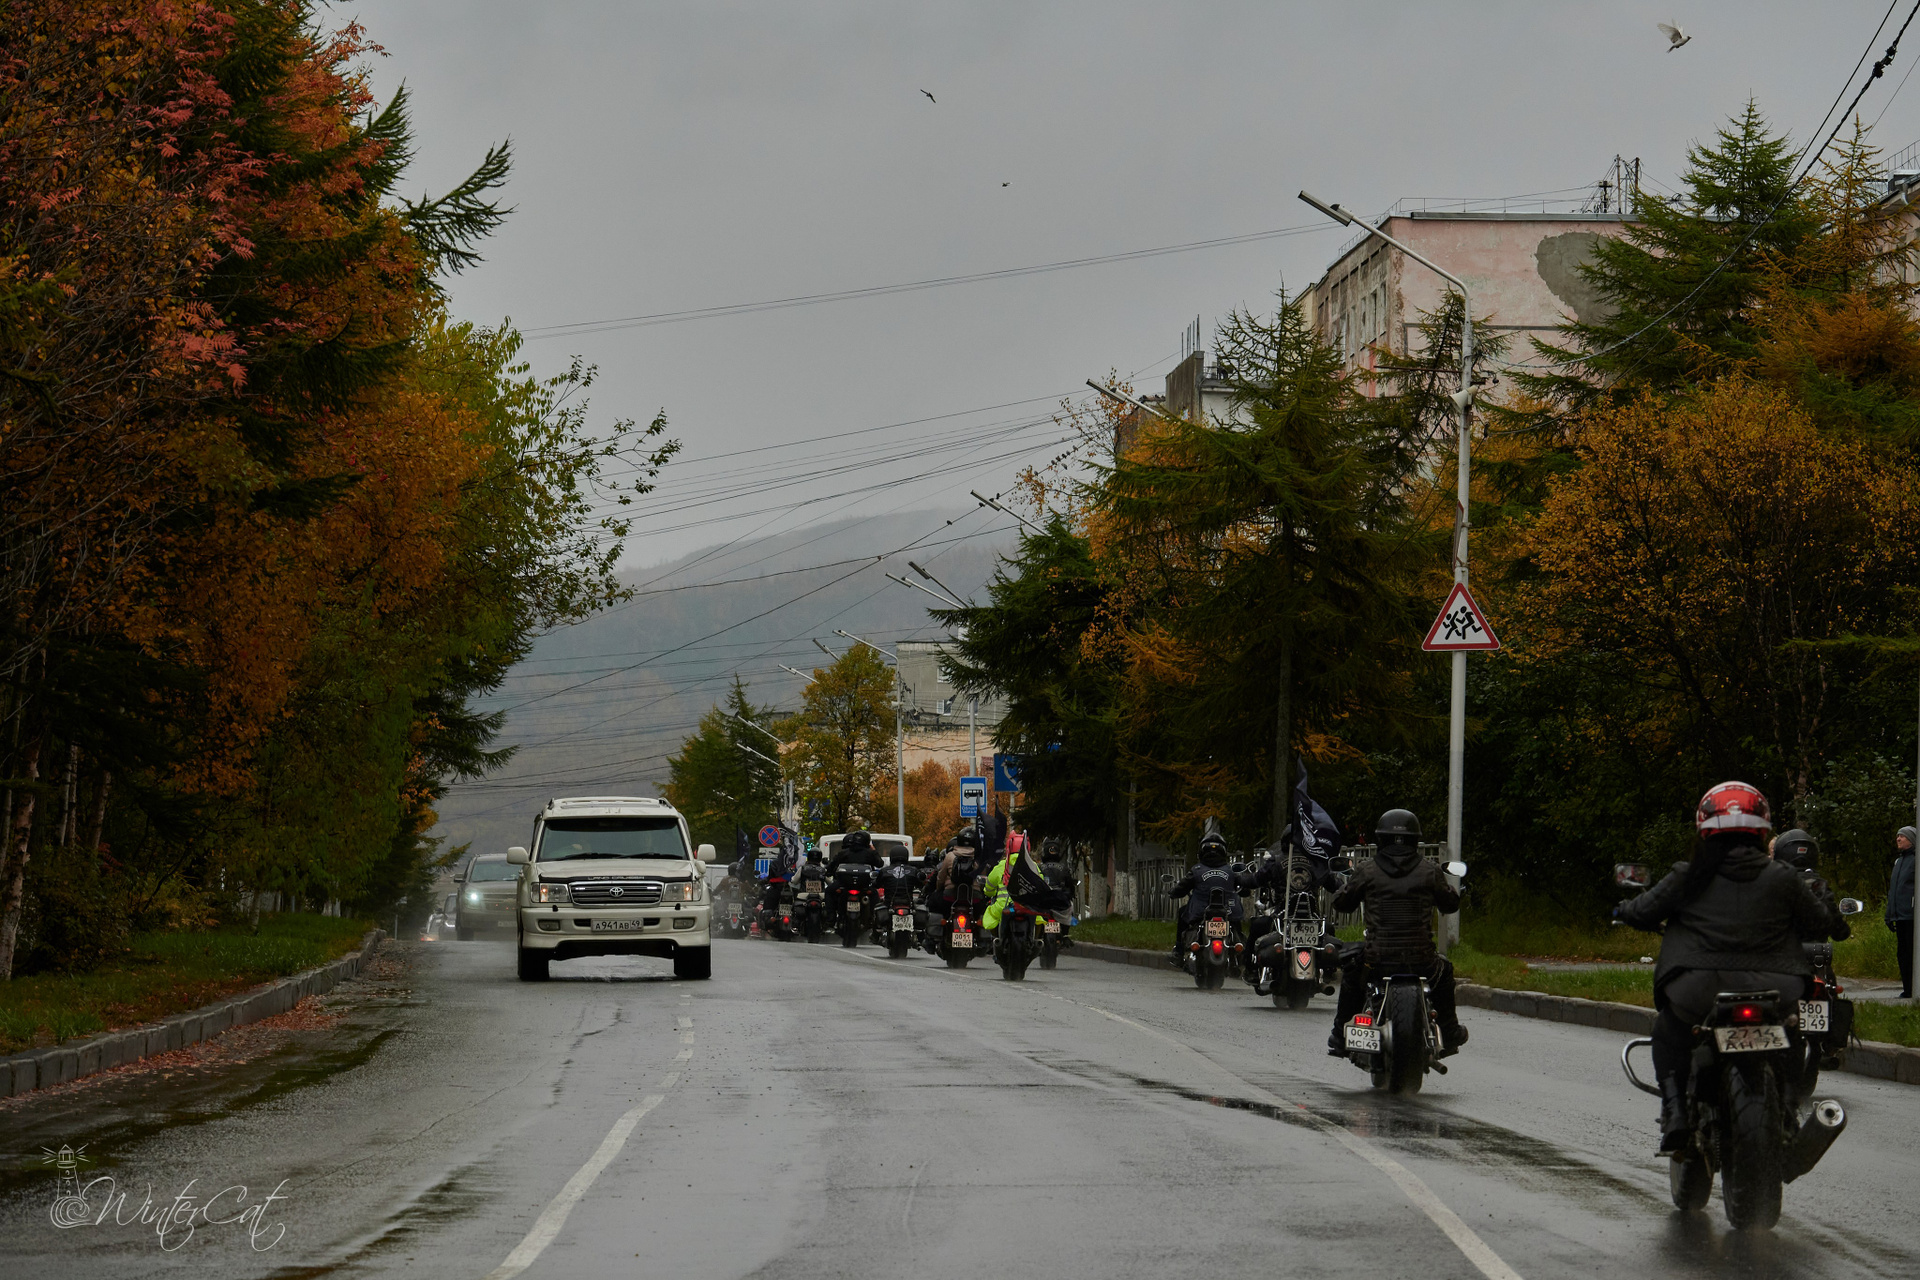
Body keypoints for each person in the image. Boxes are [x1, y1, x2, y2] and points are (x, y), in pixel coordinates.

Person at [1615, 782, 1835, 1153]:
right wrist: (1832, 922)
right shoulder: (1783, 876)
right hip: (1777, 985)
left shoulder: (1688, 874)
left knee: (1669, 1031)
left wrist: (1623, 909)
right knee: (1790, 1032)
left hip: (1699, 987)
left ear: (1704, 829)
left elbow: (1643, 911)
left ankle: (1675, 1113)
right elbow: (1823, 922)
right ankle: (1786, 1111)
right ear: (1762, 831)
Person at [1328, 808, 1465, 1055]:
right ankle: (1449, 1032)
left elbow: (1342, 904)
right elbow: (1450, 905)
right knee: (1444, 972)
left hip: (1376, 961)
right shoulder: (1430, 870)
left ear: (1381, 839)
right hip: (1422, 961)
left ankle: (1340, 1035)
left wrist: (1343, 889)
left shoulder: (1367, 870)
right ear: (1415, 840)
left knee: (1352, 974)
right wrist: (1454, 892)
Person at [1167, 831, 1247, 966]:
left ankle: (1178, 952)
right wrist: (1246, 890)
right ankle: (1242, 955)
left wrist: (1173, 892)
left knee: (1182, 913)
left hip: (1200, 910)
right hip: (1228, 910)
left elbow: (1182, 887)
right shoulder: (1230, 871)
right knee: (1236, 922)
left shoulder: (1197, 870)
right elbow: (1244, 888)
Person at [1773, 828, 1849, 942]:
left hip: (1779, 950)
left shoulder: (1772, 887)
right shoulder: (1819, 887)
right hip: (1814, 950)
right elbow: (1840, 933)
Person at [1889, 825, 1916, 999]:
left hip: (1912, 917)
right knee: (1903, 954)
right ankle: (1908, 989)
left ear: (1911, 840)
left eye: (1902, 836)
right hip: (1899, 917)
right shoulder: (1898, 862)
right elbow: (1894, 890)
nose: (1898, 839)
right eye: (1897, 836)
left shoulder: (1916, 860)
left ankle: (1915, 989)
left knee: (1912, 954)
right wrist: (1889, 915)